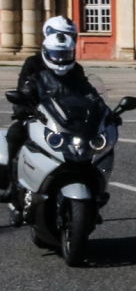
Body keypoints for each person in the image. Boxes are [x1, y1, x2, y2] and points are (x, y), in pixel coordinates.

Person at [2, 16, 104, 202]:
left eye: (70, 35)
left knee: (92, 142)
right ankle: (11, 185)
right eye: (63, 34)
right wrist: (23, 106)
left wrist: (103, 111)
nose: (67, 38)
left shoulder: (75, 68)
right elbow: (22, 88)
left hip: (67, 117)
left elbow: (86, 92)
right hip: (38, 115)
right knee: (15, 136)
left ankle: (94, 188)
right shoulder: (33, 63)